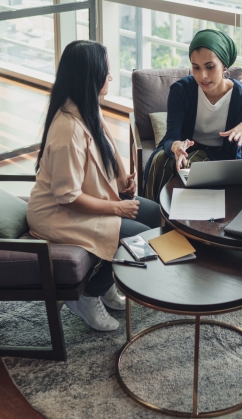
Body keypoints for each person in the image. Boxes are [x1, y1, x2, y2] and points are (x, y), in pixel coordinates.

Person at [27, 40, 161, 332]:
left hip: (84, 200)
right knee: (136, 239)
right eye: (107, 72)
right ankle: (87, 296)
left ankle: (106, 284)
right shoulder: (67, 130)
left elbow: (105, 153)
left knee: (156, 216)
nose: (110, 78)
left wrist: (123, 182)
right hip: (59, 214)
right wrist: (117, 207)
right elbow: (66, 197)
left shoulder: (88, 108)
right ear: (91, 77)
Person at [143, 28, 242, 201]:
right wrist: (175, 145)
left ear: (224, 65)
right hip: (187, 150)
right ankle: (154, 215)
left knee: (194, 164)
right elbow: (170, 138)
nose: (202, 76)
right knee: (162, 159)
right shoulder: (181, 91)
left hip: (221, 159)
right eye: (195, 67)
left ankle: (183, 221)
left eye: (210, 67)